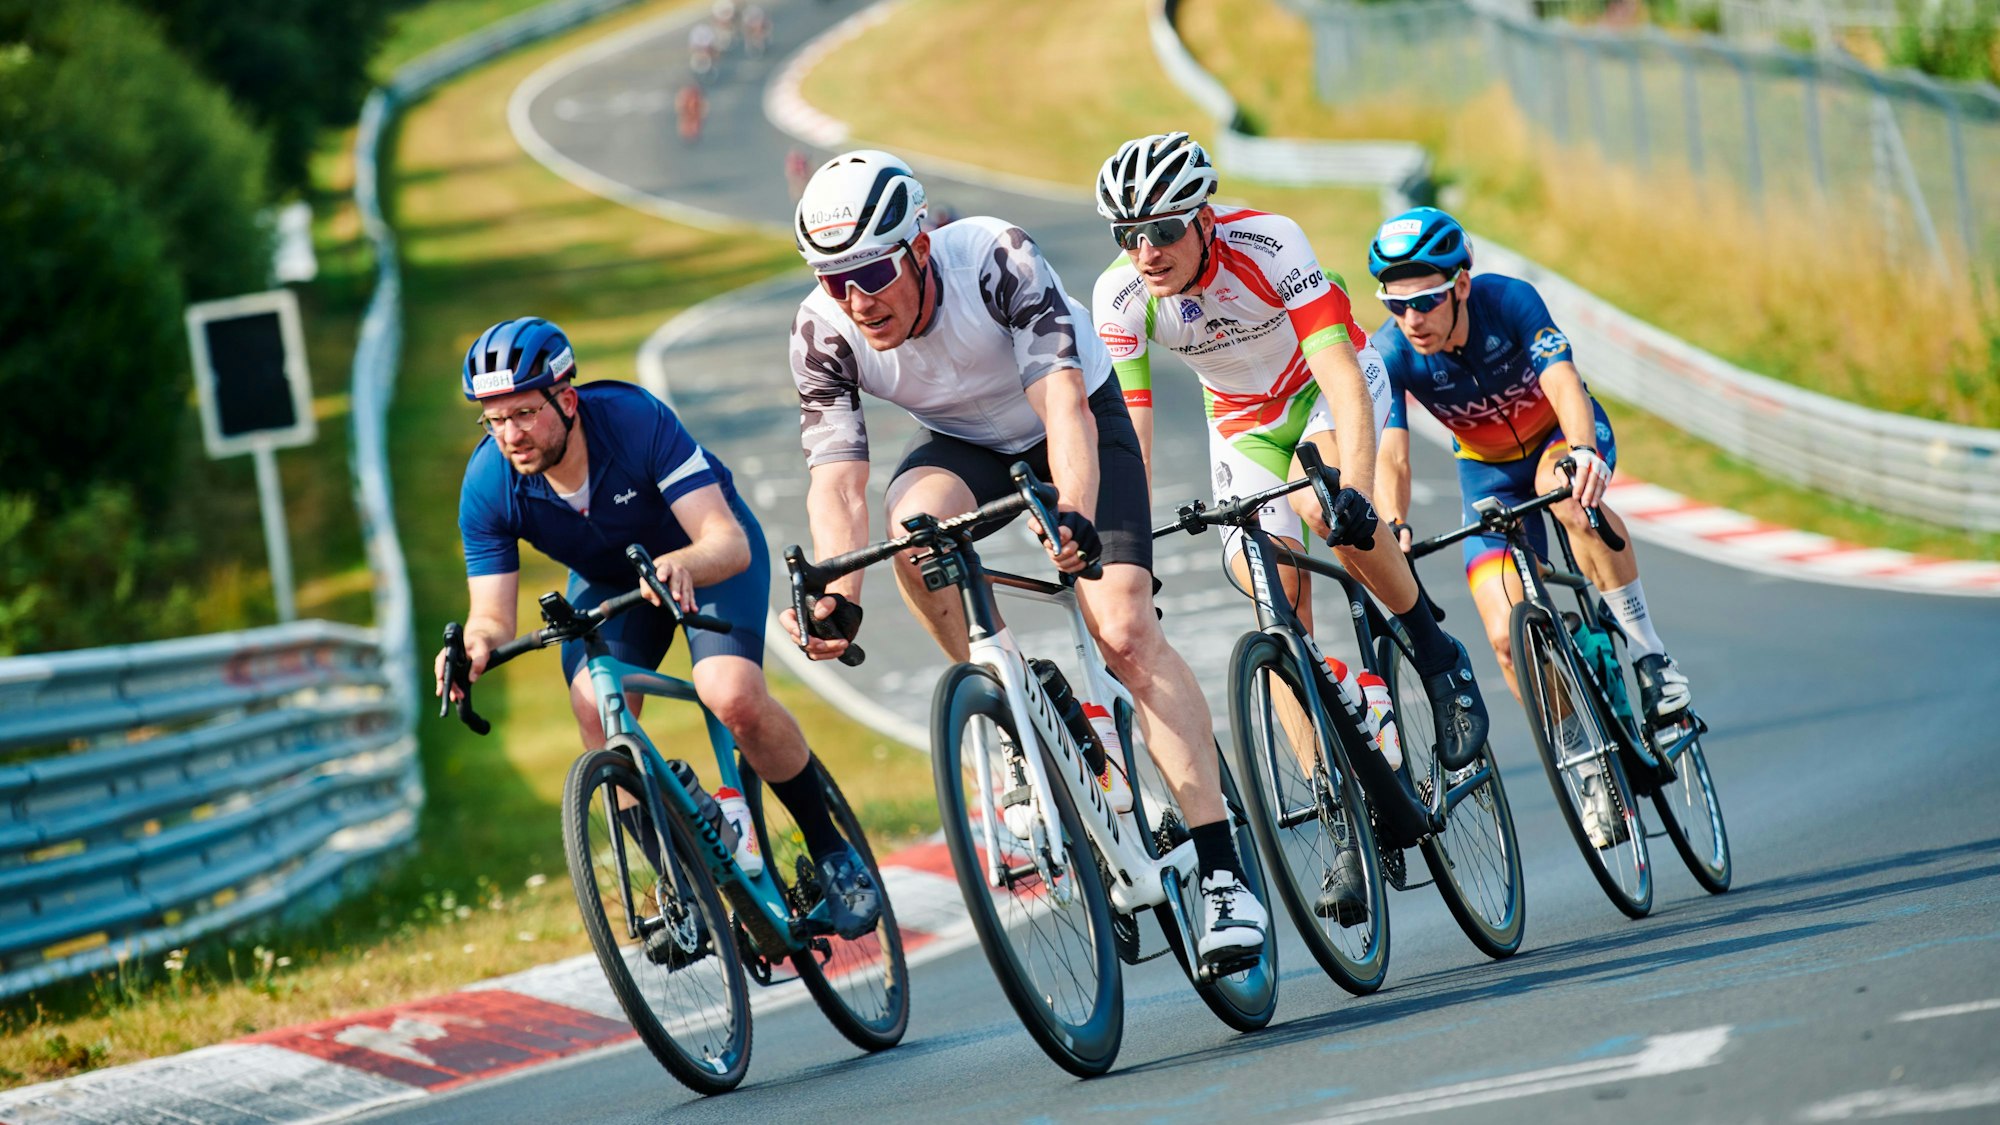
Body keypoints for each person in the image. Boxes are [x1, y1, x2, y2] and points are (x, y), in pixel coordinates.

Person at [780, 150, 1267, 966]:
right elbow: (837, 482)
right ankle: (1011, 705)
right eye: (836, 281)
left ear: (919, 248)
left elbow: (1063, 404)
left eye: (871, 273)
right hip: (964, 443)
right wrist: (838, 592)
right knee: (913, 533)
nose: (857, 301)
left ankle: (1222, 875)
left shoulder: (995, 257)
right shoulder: (820, 331)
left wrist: (1074, 513)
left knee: (1121, 632)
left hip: (1074, 418)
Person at [1090, 133, 1490, 921]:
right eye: (1127, 235)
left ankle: (1439, 657)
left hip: (1320, 392)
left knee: (1327, 512)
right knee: (1272, 609)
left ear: (1204, 219)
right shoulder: (1121, 295)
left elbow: (1342, 373)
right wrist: (1121, 549)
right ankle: (1345, 818)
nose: (1146, 250)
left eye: (1164, 230)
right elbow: (1127, 436)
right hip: (1239, 422)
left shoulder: (1269, 242)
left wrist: (1360, 491)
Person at [433, 316, 880, 937]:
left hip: (704, 557)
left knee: (731, 694)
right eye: (495, 418)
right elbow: (490, 615)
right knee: (597, 709)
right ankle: (683, 892)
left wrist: (682, 563)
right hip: (614, 585)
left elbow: (724, 540)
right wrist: (472, 648)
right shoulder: (489, 482)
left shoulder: (631, 420)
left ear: (566, 399)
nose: (511, 434)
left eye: (525, 413)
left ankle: (833, 852)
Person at [1365, 207, 1693, 848]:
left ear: (1460, 284)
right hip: (1484, 475)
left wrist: (1582, 451)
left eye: (1425, 301)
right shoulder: (1392, 350)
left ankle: (1652, 656)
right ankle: (1585, 760)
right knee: (1503, 636)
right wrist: (1394, 523)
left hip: (1556, 440)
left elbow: (1562, 378)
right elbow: (1394, 455)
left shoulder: (1507, 300)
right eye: (1396, 304)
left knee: (1565, 497)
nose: (1412, 319)